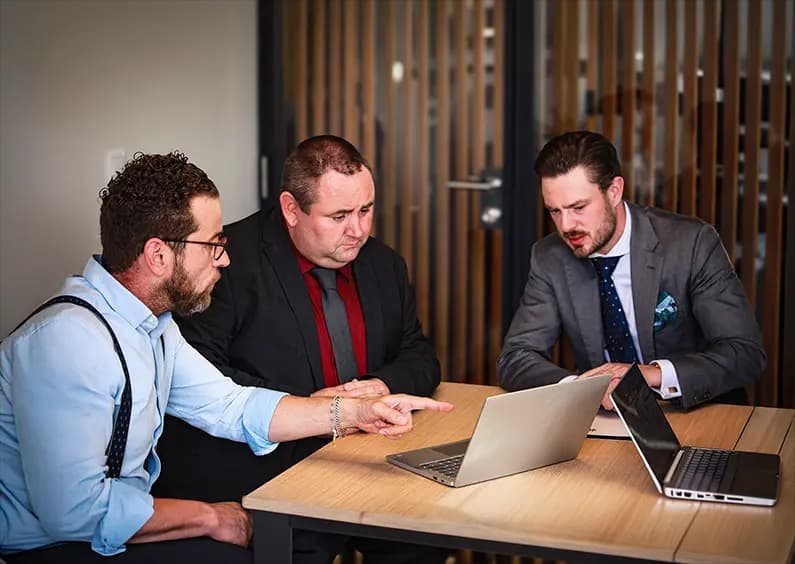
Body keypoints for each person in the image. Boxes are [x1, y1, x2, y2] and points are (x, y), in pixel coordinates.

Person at [0, 151, 452, 563]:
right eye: (212, 244)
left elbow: (231, 405)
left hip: (105, 528)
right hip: (49, 547)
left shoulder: (154, 327)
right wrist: (210, 517)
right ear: (158, 255)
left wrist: (355, 411)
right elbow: (73, 513)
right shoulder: (66, 342)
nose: (224, 259)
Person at [153, 135, 445, 563]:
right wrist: (311, 408)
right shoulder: (224, 265)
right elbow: (201, 378)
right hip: (270, 466)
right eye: (340, 215)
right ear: (291, 209)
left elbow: (419, 355)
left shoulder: (383, 264)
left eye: (366, 210)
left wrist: (378, 387)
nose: (359, 230)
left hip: (369, 455)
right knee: (304, 545)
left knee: (423, 535)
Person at [498, 130, 765, 411]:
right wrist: (578, 388)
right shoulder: (549, 256)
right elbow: (515, 357)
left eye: (578, 207)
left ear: (614, 191)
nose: (566, 226)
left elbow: (744, 353)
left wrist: (648, 375)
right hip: (607, 417)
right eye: (554, 211)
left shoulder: (690, 243)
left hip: (695, 411)